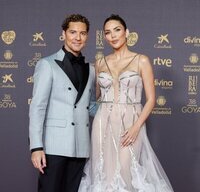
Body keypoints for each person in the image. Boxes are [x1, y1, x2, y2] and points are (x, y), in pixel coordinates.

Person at [78, 14, 174, 191]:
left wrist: (137, 126)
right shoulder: (100, 62)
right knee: (103, 173)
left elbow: (151, 100)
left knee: (125, 172)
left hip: (131, 122)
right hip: (102, 122)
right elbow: (96, 98)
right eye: (108, 32)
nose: (113, 35)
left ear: (126, 32)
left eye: (117, 30)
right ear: (104, 37)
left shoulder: (141, 60)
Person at [29, 14, 95, 192]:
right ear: (63, 33)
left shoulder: (91, 69)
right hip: (54, 147)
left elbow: (91, 106)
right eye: (73, 32)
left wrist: (117, 107)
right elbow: (37, 107)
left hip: (81, 147)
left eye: (82, 33)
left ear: (87, 36)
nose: (77, 37)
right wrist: (36, 147)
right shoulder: (47, 64)